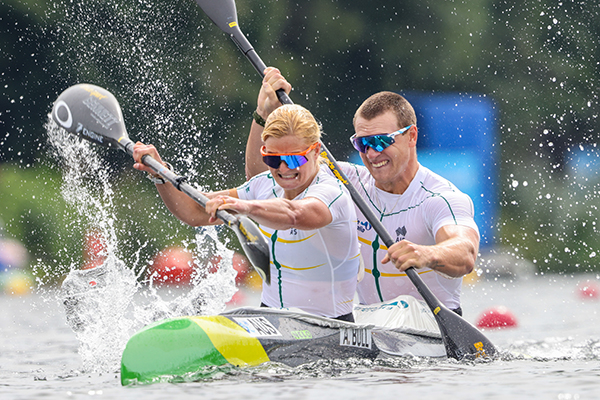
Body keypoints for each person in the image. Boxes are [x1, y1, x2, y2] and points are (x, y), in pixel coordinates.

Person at [245, 68, 480, 315]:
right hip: (368, 325)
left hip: (427, 323)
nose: (371, 154)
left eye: (381, 141)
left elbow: (465, 253)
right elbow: (267, 179)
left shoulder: (440, 198)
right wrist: (263, 114)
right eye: (362, 143)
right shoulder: (347, 182)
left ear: (411, 136)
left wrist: (426, 254)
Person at [133, 104, 361, 321]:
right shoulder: (262, 186)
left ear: (316, 151)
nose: (284, 168)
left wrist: (246, 207)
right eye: (273, 158)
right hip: (271, 320)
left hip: (330, 326)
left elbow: (294, 214)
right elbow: (193, 211)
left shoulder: (333, 192)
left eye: (294, 158)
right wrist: (160, 174)